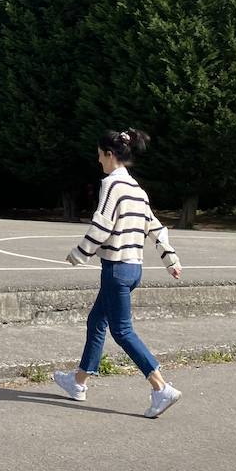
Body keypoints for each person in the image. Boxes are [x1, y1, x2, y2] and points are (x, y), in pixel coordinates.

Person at [52, 128, 183, 419]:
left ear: (110, 154)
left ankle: (161, 387)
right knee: (97, 320)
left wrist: (79, 253)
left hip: (116, 270)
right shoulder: (137, 189)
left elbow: (102, 225)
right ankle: (78, 382)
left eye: (100, 155)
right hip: (134, 269)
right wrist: (170, 259)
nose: (98, 160)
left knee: (122, 331)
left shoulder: (112, 184)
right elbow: (155, 227)